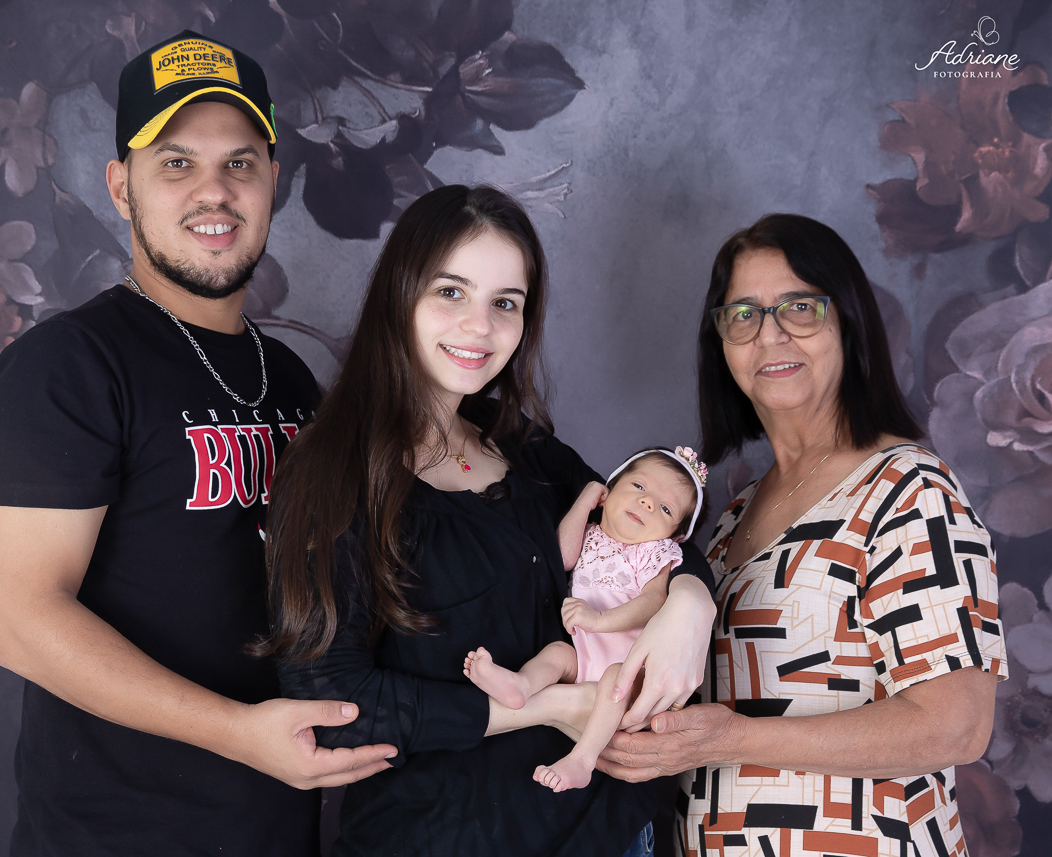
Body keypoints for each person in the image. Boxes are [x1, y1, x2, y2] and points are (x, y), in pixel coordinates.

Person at [0, 31, 394, 857]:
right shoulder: (68, 365)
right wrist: (239, 732)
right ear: (120, 186)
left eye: (240, 162)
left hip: (276, 831)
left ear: (273, 180)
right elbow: (20, 620)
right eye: (176, 163)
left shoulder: (290, 378)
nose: (215, 190)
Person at [259, 184, 718, 857]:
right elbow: (331, 703)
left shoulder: (521, 443)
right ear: (399, 294)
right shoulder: (331, 471)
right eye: (451, 292)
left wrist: (692, 601)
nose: (479, 327)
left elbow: (649, 519)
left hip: (610, 832)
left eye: (506, 302)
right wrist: (544, 707)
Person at [595, 214, 1006, 857]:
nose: (771, 335)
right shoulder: (729, 521)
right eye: (744, 315)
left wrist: (731, 740)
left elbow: (956, 726)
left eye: (801, 307)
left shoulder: (909, 489)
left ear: (849, 323)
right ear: (721, 345)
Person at [464, 446, 708, 792]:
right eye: (639, 486)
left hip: (630, 671)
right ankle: (522, 686)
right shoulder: (591, 534)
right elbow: (562, 557)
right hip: (585, 658)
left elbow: (653, 601)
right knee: (557, 654)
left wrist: (598, 620)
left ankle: (582, 760)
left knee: (614, 679)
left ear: (676, 536)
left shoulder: (654, 553)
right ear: (610, 490)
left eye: (666, 508)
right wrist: (585, 501)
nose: (648, 502)